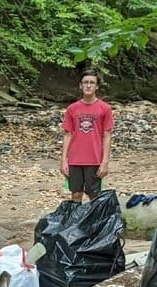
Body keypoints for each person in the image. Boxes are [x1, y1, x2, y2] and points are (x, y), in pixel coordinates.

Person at [60, 70, 114, 202]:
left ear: (97, 86)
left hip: (95, 159)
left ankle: (94, 222)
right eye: (85, 82)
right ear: (80, 85)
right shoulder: (72, 109)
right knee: (76, 195)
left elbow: (107, 135)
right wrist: (63, 160)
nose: (88, 86)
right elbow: (68, 134)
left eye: (92, 83)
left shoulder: (105, 108)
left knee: (94, 195)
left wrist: (105, 161)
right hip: (75, 160)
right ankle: (76, 222)